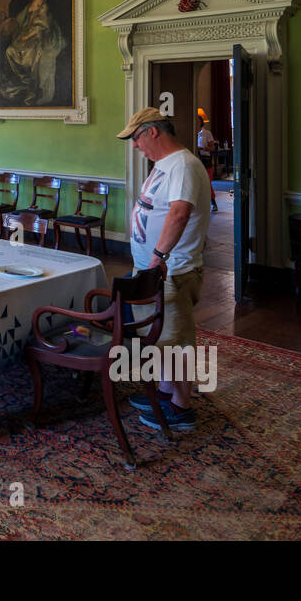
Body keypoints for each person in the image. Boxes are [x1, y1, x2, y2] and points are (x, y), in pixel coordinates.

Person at [116, 107, 212, 432]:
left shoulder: (183, 165)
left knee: (175, 340)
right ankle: (165, 390)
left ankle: (181, 408)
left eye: (136, 138)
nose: (134, 145)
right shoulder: (165, 165)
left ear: (152, 132)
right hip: (152, 269)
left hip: (172, 271)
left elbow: (180, 213)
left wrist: (158, 256)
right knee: (158, 336)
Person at [0, 0, 65, 105]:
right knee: (10, 51)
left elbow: (43, 27)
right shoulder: (29, 6)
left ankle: (32, 87)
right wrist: (10, 23)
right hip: (26, 37)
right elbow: (19, 21)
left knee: (30, 57)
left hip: (39, 39)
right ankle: (23, 81)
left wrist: (27, 37)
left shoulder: (43, 6)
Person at [196, 116, 219, 213]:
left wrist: (202, 148)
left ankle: (213, 202)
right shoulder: (191, 132)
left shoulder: (206, 133)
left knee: (207, 182)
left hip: (205, 160)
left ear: (201, 122)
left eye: (197, 121)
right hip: (195, 160)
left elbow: (212, 148)